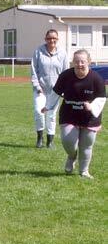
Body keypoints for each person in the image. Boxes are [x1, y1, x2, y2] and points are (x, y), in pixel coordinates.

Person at [50, 49, 106, 179]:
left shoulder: (96, 79)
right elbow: (55, 92)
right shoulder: (65, 76)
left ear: (89, 62)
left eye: (83, 61)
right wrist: (48, 106)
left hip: (90, 117)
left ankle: (84, 171)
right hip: (69, 114)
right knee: (68, 141)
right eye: (77, 61)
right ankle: (71, 156)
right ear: (73, 62)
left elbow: (102, 98)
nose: (80, 64)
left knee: (87, 145)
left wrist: (91, 106)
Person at [31, 29, 68, 148]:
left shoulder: (62, 53)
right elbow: (33, 71)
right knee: (39, 112)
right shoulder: (38, 52)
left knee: (51, 115)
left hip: (55, 91)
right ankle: (39, 138)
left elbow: (65, 73)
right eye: (49, 38)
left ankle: (50, 141)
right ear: (45, 39)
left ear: (57, 39)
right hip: (40, 89)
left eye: (54, 38)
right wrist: (37, 86)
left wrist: (62, 89)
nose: (51, 40)